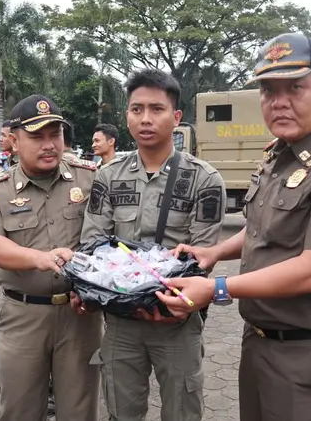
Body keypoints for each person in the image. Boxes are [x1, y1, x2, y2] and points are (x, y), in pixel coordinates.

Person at [156, 33, 311, 421]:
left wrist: (217, 288)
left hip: (309, 354)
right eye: (268, 90)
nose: (278, 101)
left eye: (295, 88)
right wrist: (215, 252)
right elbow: (267, 227)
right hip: (260, 341)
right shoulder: (281, 155)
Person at [79, 69, 226, 421]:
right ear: (126, 115)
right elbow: (93, 242)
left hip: (175, 322)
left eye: (157, 109)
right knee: (121, 411)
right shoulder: (109, 176)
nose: (145, 118)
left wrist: (163, 300)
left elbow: (201, 259)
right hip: (121, 323)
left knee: (182, 411)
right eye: (136, 109)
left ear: (176, 118)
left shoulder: (203, 179)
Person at [0, 94, 102, 421]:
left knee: (80, 410)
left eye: (55, 134)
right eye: (37, 136)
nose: (49, 145)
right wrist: (40, 258)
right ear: (14, 142)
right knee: (20, 410)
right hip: (23, 314)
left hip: (80, 317)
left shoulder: (89, 177)